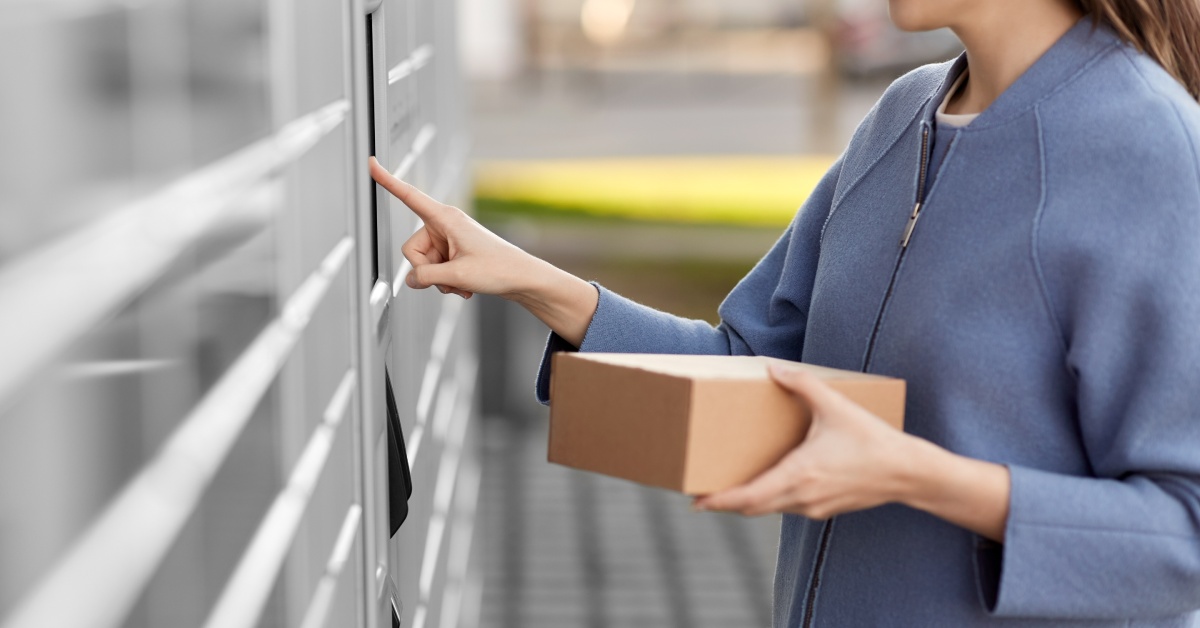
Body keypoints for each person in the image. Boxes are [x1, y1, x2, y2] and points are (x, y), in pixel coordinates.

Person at [369, 0, 1200, 624]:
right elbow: (750, 367)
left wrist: (917, 473)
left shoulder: (1148, 149)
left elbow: (1183, 533)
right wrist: (533, 282)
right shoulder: (900, 117)